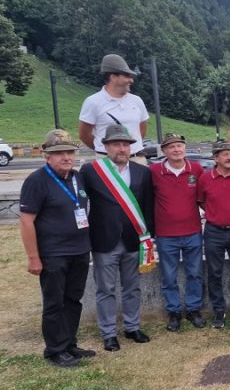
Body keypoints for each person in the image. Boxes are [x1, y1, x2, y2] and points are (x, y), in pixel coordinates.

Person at [20, 130, 94, 367]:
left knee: (73, 299)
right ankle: (55, 349)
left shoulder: (76, 177)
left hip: (80, 250)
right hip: (53, 253)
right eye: (59, 153)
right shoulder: (37, 181)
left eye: (69, 152)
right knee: (54, 302)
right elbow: (26, 221)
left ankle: (70, 343)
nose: (66, 157)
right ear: (47, 156)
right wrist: (33, 257)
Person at [80, 125, 154, 351]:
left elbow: (148, 207)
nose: (121, 149)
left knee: (132, 287)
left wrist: (149, 236)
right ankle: (109, 333)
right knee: (106, 289)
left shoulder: (143, 172)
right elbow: (81, 204)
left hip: (134, 239)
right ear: (105, 147)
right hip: (104, 240)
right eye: (116, 144)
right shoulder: (91, 171)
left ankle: (132, 327)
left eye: (125, 145)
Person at [150, 133, 205, 331]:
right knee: (169, 276)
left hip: (192, 231)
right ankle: (173, 312)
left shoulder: (196, 169)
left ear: (185, 148)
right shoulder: (154, 171)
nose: (176, 150)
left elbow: (205, 197)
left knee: (195, 273)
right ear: (164, 151)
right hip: (165, 234)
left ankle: (193, 309)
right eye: (171, 146)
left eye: (179, 145)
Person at [197, 141, 230, 329]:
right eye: (225, 154)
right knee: (214, 272)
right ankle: (218, 310)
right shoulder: (205, 178)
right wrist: (216, 215)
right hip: (213, 231)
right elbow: (202, 202)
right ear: (215, 158)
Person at [78, 54, 149, 163]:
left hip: (136, 159)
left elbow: (142, 129)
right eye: (127, 76)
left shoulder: (137, 100)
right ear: (113, 77)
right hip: (107, 160)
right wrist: (104, 149)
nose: (131, 80)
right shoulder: (93, 102)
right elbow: (84, 135)